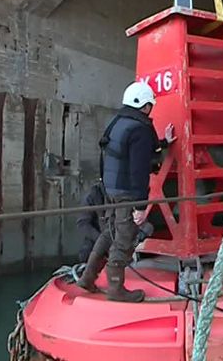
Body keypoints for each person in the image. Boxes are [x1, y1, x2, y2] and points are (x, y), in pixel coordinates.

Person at [77, 81, 176, 302]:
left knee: (109, 232)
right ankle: (115, 289)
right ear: (145, 106)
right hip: (126, 191)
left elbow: (126, 151)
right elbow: (139, 170)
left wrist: (163, 143)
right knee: (125, 237)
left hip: (110, 189)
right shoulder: (140, 128)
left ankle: (87, 277)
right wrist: (141, 206)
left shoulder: (119, 122)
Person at [76, 182, 154, 263]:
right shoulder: (92, 195)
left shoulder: (129, 194)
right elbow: (83, 224)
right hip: (99, 235)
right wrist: (102, 241)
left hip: (123, 234)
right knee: (85, 255)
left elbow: (144, 224)